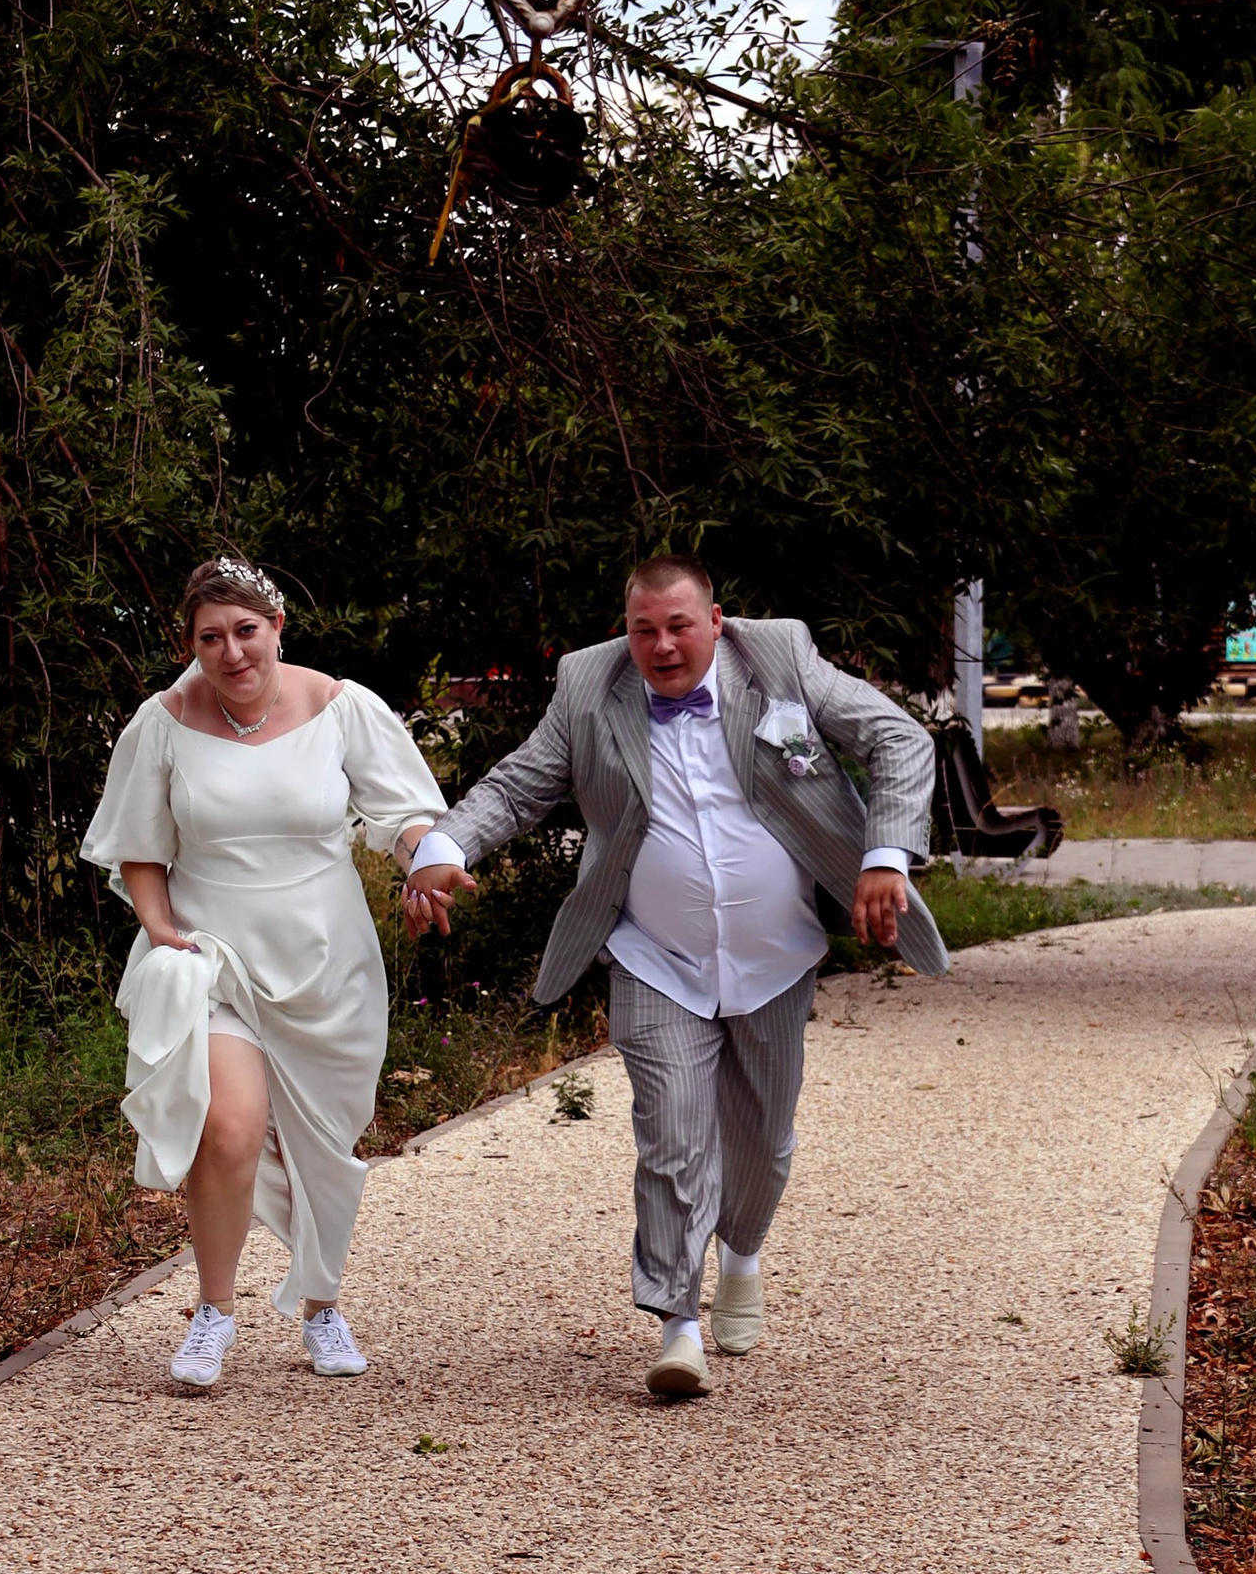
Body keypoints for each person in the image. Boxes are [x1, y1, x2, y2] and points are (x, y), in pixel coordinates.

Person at [402, 556, 944, 1398]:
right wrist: (443, 849)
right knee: (671, 1135)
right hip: (653, 956)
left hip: (776, 957)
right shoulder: (589, 686)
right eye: (643, 628)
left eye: (678, 626)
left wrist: (884, 856)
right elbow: (518, 784)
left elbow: (898, 737)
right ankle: (676, 1323)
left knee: (763, 1142)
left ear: (716, 621)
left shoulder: (782, 659)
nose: (660, 645)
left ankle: (743, 1255)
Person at [81, 555, 448, 1387]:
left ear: (277, 628)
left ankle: (322, 1306)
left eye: (246, 631)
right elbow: (140, 848)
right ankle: (213, 1312)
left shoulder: (341, 707)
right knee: (230, 1127)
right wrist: (161, 932)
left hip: (328, 963)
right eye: (211, 638)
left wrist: (427, 861)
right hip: (215, 957)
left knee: (327, 1143)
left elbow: (403, 817)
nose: (232, 653)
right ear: (191, 645)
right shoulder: (163, 721)